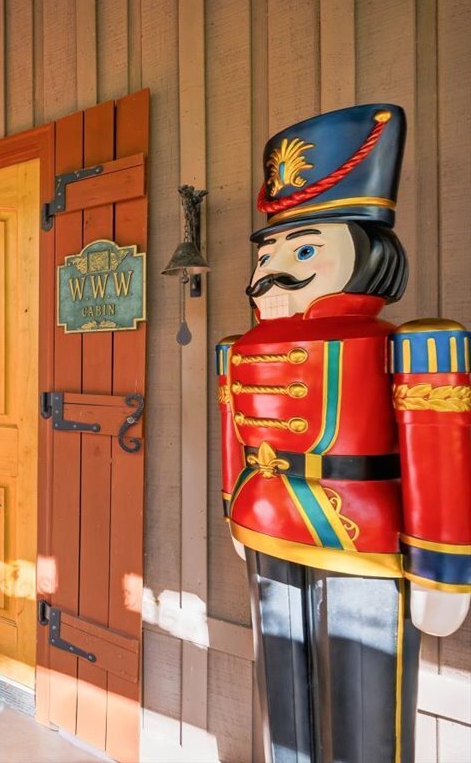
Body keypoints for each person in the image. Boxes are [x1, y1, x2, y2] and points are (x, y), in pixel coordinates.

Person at [216, 103, 470, 762]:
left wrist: (444, 572)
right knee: (282, 700)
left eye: (304, 249)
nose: (271, 269)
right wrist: (232, 507)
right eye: (270, 250)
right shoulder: (238, 346)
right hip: (266, 520)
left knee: (363, 711)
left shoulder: (413, 345)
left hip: (360, 535)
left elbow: (435, 454)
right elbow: (234, 434)